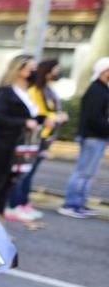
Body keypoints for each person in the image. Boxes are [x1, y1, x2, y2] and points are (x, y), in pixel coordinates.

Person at [0, 54, 39, 219]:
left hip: (19, 146)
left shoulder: (26, 93)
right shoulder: (5, 92)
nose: (35, 72)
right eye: (31, 69)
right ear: (19, 70)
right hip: (3, 143)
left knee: (8, 183)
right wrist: (23, 122)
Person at [7, 60, 67, 221]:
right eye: (55, 69)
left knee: (28, 173)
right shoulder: (34, 90)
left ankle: (22, 202)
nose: (57, 72)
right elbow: (38, 113)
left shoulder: (47, 90)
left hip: (45, 136)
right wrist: (56, 117)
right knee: (23, 173)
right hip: (35, 137)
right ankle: (14, 204)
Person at [59, 57, 109, 219]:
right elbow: (94, 117)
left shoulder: (102, 88)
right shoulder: (96, 89)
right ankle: (70, 204)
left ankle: (79, 203)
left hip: (97, 137)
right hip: (92, 137)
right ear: (103, 71)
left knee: (88, 173)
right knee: (82, 172)